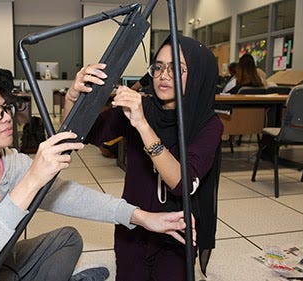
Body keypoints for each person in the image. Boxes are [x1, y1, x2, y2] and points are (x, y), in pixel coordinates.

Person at [0, 76, 194, 281]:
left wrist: (141, 217)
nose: (6, 117)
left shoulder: (11, 161)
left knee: (68, 238)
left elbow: (69, 196)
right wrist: (32, 179)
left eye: (5, 108)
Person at [63, 35, 223, 281]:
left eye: (177, 68)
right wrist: (73, 98)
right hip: (134, 225)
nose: (163, 75)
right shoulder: (140, 106)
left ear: (199, 75)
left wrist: (142, 125)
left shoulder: (208, 124)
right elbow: (75, 136)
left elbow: (181, 183)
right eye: (158, 66)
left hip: (176, 231)